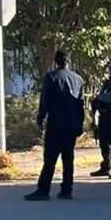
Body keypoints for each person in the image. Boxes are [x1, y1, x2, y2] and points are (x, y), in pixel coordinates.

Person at [25, 50, 85, 201]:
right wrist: (79, 125)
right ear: (69, 62)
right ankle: (67, 190)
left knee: (50, 158)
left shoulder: (51, 77)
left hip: (56, 124)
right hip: (71, 125)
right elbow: (81, 104)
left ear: (56, 62)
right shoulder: (78, 79)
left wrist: (40, 119)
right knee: (68, 158)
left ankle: (43, 190)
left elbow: (45, 101)